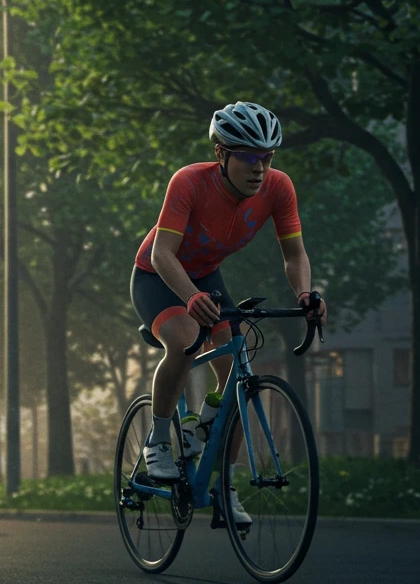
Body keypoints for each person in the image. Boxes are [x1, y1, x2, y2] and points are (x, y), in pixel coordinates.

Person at [131, 102, 327, 524]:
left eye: (268, 156)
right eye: (249, 156)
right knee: (185, 342)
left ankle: (223, 482)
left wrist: (306, 294)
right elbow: (164, 253)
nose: (260, 167)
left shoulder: (279, 188)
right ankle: (160, 442)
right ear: (221, 154)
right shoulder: (189, 181)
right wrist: (188, 298)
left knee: (238, 373)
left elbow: (294, 255)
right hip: (157, 276)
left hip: (206, 276)